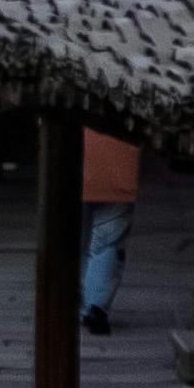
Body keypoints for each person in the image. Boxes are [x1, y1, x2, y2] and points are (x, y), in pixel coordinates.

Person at [81, 123, 141, 333]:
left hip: (74, 161)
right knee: (109, 242)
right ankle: (97, 305)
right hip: (118, 168)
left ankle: (81, 302)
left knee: (77, 239)